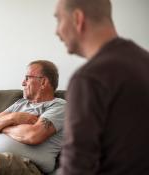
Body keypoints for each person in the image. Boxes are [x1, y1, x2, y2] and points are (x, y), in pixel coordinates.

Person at [54, 0, 149, 174]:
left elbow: (76, 167)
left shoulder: (88, 78)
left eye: (59, 19)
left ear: (77, 18)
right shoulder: (144, 60)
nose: (57, 31)